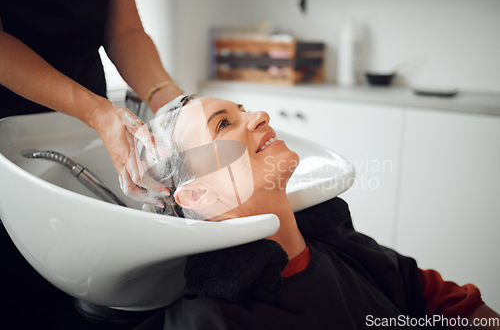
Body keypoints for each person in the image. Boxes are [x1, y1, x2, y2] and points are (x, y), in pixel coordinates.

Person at [133, 96, 500, 330]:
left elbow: (452, 305)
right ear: (197, 194)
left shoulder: (337, 241)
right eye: (224, 124)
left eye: (242, 108)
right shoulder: (215, 321)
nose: (260, 115)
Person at [0, 0, 181, 328]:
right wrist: (96, 112)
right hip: (12, 113)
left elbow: (125, 32)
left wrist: (175, 105)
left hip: (88, 106)